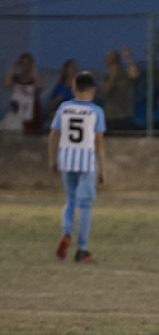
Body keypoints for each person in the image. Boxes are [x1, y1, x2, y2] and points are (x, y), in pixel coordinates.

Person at [47, 71, 106, 264]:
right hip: (86, 162)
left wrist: (52, 160)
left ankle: (66, 232)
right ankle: (82, 250)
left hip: (67, 159)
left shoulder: (64, 108)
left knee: (70, 199)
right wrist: (102, 169)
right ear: (92, 90)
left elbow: (53, 135)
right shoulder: (96, 111)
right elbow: (99, 143)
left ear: (73, 90)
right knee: (86, 205)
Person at [100, 47, 141, 132]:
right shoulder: (104, 76)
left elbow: (135, 75)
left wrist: (128, 58)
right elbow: (104, 92)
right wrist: (112, 77)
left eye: (112, 59)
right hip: (110, 116)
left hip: (124, 115)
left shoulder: (124, 74)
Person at [4, 53, 44, 134]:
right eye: (23, 64)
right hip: (17, 115)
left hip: (32, 115)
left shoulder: (35, 79)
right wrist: (12, 68)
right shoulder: (16, 78)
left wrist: (32, 72)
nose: (26, 66)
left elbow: (40, 86)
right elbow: (6, 84)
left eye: (28, 64)